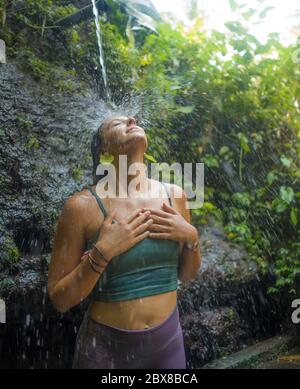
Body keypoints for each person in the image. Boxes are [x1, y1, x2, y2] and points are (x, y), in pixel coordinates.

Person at [47, 115, 202, 369]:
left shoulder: (174, 196)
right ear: (104, 150)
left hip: (168, 346)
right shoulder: (81, 207)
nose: (131, 119)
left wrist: (191, 238)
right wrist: (103, 251)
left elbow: (187, 275)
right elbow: (60, 299)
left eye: (132, 119)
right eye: (117, 124)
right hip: (106, 353)